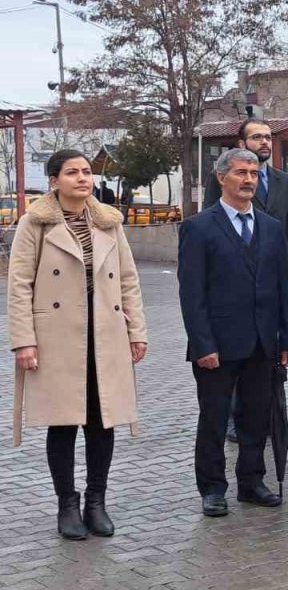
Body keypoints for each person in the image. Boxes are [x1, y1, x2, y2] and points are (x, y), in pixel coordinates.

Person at [7, 149, 148, 539]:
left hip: (105, 332)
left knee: (103, 420)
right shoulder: (33, 224)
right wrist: (23, 342)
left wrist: (136, 331)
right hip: (57, 336)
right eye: (72, 173)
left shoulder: (109, 223)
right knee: (65, 421)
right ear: (54, 180)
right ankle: (66, 505)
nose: (82, 178)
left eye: (87, 172)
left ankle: (96, 502)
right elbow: (19, 286)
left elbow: (128, 279)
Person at [179, 148, 288, 517]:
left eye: (253, 173)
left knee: (256, 417)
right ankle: (213, 488)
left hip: (263, 342)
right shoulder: (199, 228)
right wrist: (203, 344)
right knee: (214, 419)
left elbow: (281, 288)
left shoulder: (271, 228)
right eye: (241, 173)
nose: (248, 180)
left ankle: (252, 481)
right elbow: (192, 292)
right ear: (222, 178)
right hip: (217, 345)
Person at [203, 120, 288, 442]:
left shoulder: (284, 181)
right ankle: (235, 419)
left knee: (270, 358)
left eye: (269, 137)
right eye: (257, 137)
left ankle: (276, 420)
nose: (265, 142)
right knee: (238, 354)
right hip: (236, 286)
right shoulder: (222, 178)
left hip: (274, 281)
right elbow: (211, 224)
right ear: (242, 143)